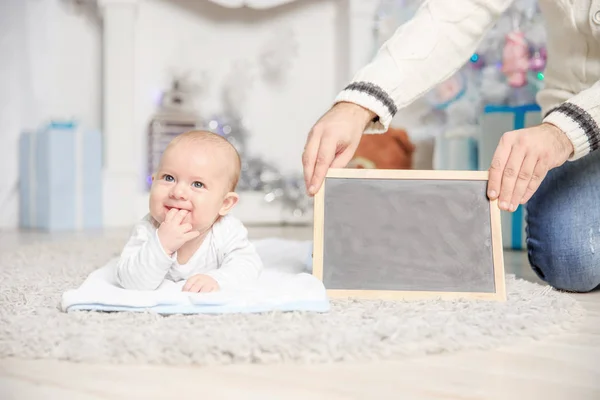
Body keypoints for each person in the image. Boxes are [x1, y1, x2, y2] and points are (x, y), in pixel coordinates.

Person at [302, 0, 600, 293]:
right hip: (570, 101)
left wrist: (564, 133)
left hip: (573, 123)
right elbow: (455, 14)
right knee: (571, 263)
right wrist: (359, 103)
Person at [115, 130, 263, 293]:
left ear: (225, 204)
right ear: (154, 180)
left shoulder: (226, 230)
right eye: (169, 178)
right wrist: (162, 245)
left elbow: (248, 266)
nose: (178, 192)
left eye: (197, 184)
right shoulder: (147, 229)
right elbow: (130, 281)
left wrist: (217, 279)